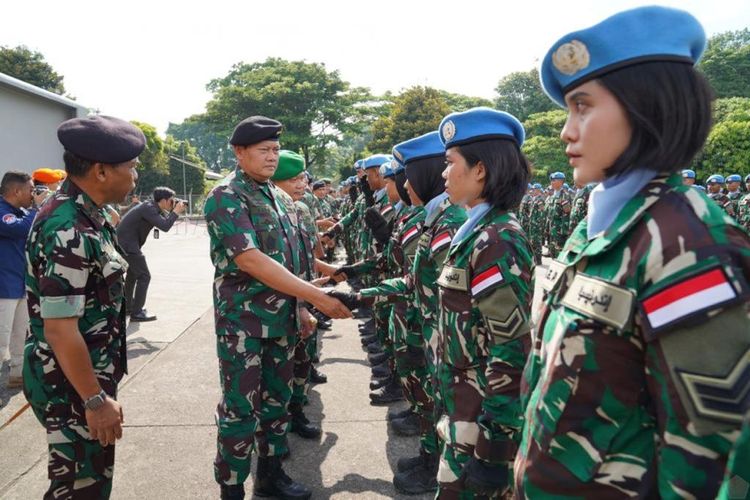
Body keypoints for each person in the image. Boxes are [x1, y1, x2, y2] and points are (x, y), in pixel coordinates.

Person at [514, 6, 750, 497]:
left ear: (647, 107)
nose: (566, 131)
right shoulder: (605, 227)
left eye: (583, 106)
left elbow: (712, 461)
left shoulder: (690, 243)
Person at [203, 116, 351, 500]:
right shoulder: (226, 196)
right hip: (244, 324)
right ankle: (231, 488)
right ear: (239, 153)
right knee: (239, 409)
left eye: (274, 150)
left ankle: (271, 476)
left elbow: (295, 259)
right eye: (263, 151)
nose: (272, 158)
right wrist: (318, 297)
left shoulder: (281, 198)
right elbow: (250, 259)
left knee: (276, 403)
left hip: (282, 320)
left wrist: (302, 306)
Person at [24, 115, 145, 499]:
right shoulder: (68, 228)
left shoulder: (90, 214)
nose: (136, 175)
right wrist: (94, 400)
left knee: (86, 481)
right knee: (80, 488)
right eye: (132, 167)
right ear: (101, 171)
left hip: (83, 378)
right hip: (71, 387)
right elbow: (59, 329)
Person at [435, 107, 535, 498]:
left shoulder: (496, 240)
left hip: (481, 424)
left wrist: (494, 450)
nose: (444, 173)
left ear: (480, 169)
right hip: (464, 413)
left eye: (450, 163)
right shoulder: (474, 231)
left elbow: (510, 348)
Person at [0, 171, 45, 389]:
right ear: (16, 191)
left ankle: (17, 374)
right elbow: (20, 228)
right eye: (30, 190)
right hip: (3, 287)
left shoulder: (22, 212)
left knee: (21, 336)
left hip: (19, 284)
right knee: (1, 341)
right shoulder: (2, 211)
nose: (33, 194)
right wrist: (37, 207)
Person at [116, 186, 186, 322]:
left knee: (132, 275)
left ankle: (128, 307)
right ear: (164, 200)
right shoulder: (148, 208)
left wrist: (175, 209)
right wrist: (176, 211)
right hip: (128, 245)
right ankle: (137, 312)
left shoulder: (150, 207)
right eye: (171, 201)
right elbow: (165, 226)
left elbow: (165, 220)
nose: (173, 204)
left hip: (125, 244)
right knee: (144, 276)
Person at [543, 171, 571, 258]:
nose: (552, 182)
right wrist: (547, 228)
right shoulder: (552, 197)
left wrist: (564, 232)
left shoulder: (565, 196)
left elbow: (567, 214)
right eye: (551, 180)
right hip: (552, 230)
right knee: (552, 253)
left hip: (560, 231)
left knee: (559, 254)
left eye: (554, 180)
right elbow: (548, 214)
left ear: (561, 181)